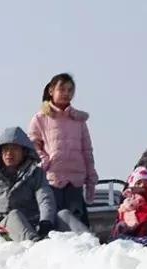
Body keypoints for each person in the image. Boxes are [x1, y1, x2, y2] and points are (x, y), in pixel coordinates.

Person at [27, 73, 97, 226]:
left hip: (76, 180)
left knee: (76, 221)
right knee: (54, 220)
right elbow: (32, 145)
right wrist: (44, 159)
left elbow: (87, 150)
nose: (66, 93)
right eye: (62, 89)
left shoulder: (79, 120)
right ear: (51, 90)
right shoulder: (40, 118)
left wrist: (91, 175)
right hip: (51, 178)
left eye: (70, 90)